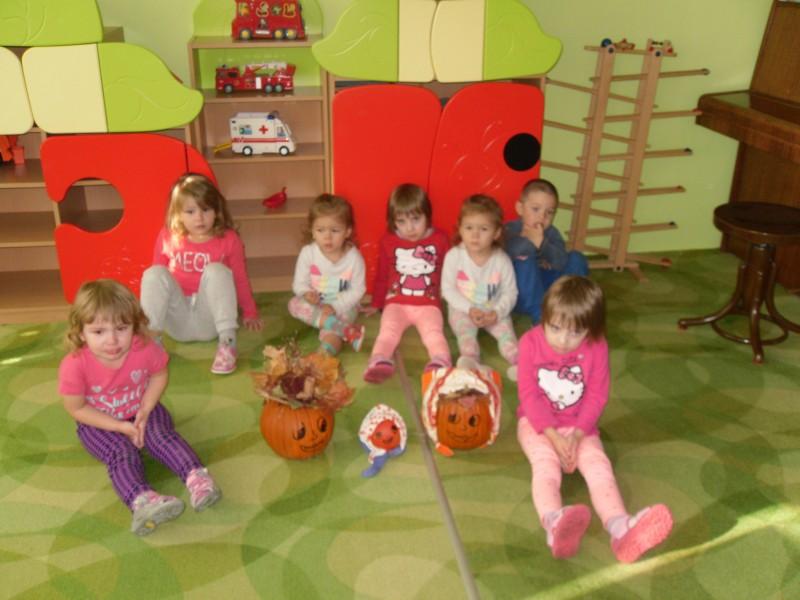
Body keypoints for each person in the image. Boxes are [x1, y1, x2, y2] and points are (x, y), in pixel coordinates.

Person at [516, 275, 672, 562]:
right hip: (537, 424)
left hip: (580, 425)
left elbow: (597, 395)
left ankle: (620, 527)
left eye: (575, 332)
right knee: (545, 466)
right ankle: (553, 522)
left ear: (591, 329)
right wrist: (553, 436)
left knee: (599, 466)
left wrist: (577, 434)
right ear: (544, 317)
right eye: (555, 328)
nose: (563, 340)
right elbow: (529, 395)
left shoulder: (597, 346)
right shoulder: (529, 343)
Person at [58, 279, 222, 536]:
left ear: (134, 326)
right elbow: (77, 409)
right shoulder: (74, 365)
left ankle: (197, 478)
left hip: (143, 408)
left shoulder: (143, 348)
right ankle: (142, 501)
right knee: (121, 452)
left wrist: (145, 409)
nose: (112, 340)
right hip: (98, 423)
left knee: (161, 436)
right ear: (81, 333)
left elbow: (159, 375)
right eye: (99, 332)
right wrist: (118, 426)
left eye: (121, 328)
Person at [140, 173, 263, 375]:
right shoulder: (167, 235)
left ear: (216, 211)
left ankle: (228, 344)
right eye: (190, 211)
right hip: (177, 321)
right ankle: (151, 343)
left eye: (206, 209)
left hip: (211, 321)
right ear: (178, 214)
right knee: (153, 273)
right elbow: (157, 285)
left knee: (217, 271)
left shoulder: (229, 239)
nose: (199, 218)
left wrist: (250, 313)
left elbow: (240, 278)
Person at [362, 183, 451, 383]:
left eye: (416, 219)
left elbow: (450, 271)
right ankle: (378, 360)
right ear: (393, 222)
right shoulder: (388, 241)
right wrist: (377, 303)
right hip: (396, 303)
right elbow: (382, 275)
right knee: (387, 332)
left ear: (427, 215)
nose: (409, 228)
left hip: (428, 304)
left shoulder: (441, 239)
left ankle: (441, 362)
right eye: (401, 221)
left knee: (434, 333)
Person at [441, 194, 519, 381]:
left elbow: (510, 292)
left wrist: (497, 312)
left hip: (493, 309)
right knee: (466, 336)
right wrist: (469, 308)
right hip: (463, 309)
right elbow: (447, 290)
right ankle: (471, 361)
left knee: (508, 337)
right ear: (460, 228)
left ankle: (519, 363)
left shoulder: (501, 260)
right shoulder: (454, 256)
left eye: (483, 229)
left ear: (496, 233)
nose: (475, 235)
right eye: (469, 228)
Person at [288, 193, 366, 354]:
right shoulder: (308, 253)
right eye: (320, 230)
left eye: (335, 230)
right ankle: (345, 330)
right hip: (317, 305)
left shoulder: (354, 258)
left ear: (347, 231)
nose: (327, 237)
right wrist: (306, 293)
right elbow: (299, 283)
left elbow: (358, 290)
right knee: (294, 304)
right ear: (312, 231)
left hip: (343, 306)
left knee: (331, 334)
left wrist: (336, 306)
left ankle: (321, 357)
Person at [505, 178, 589, 323]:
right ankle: (540, 315)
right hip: (522, 294)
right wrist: (528, 240)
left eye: (549, 212)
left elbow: (561, 261)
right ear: (520, 208)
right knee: (524, 259)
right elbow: (504, 255)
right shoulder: (509, 229)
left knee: (576, 257)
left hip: (553, 292)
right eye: (535, 209)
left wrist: (542, 243)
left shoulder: (551, 232)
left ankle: (572, 302)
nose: (542, 217)